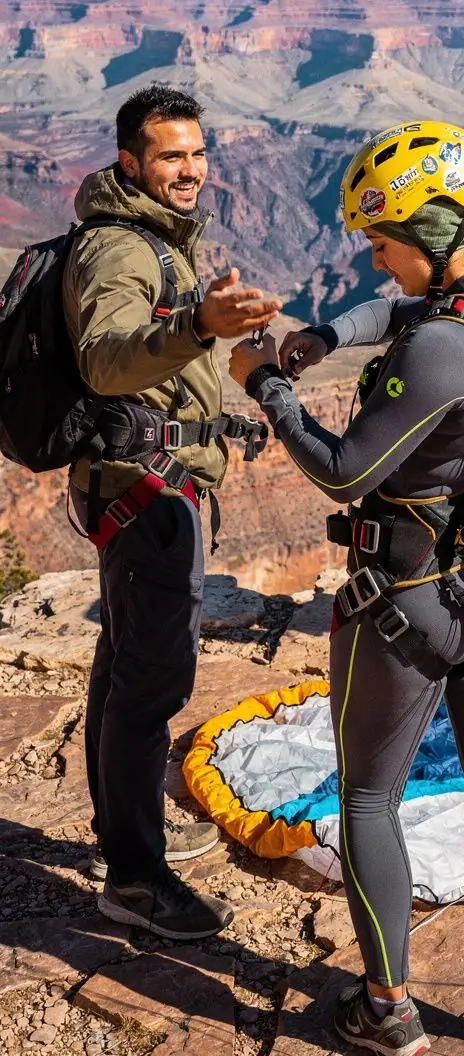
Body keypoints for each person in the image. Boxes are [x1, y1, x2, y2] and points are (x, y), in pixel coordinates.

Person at [229, 121, 464, 1056]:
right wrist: (322, 336)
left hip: (411, 601)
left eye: (383, 240)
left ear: (433, 235)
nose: (375, 258)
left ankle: (390, 1012)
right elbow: (394, 315)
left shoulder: (446, 348)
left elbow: (345, 471)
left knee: (366, 801)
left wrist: (265, 386)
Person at [63, 84, 280, 938]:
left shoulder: (154, 235)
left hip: (143, 480)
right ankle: (135, 878)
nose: (189, 169)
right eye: (169, 157)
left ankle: (126, 835)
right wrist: (198, 323)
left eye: (196, 153)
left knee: (124, 662)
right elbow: (108, 360)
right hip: (142, 492)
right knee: (151, 681)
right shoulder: (122, 251)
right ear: (131, 163)